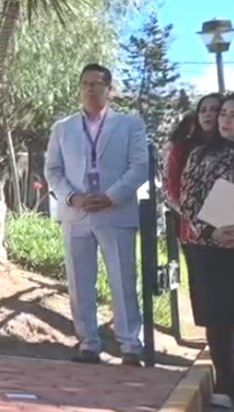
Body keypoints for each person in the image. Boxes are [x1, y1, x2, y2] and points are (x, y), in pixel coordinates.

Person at [43, 63, 149, 366]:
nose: (91, 89)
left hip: (115, 212)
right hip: (76, 214)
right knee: (79, 281)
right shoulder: (62, 128)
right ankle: (88, 343)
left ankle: (130, 345)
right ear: (80, 88)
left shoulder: (130, 125)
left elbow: (139, 167)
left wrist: (111, 195)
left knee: (123, 280)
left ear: (109, 88)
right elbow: (52, 170)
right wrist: (72, 196)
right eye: (85, 84)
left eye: (97, 83)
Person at [178, 94, 234, 408]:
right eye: (224, 114)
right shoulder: (201, 154)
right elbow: (188, 200)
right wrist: (212, 229)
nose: (226, 120)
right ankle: (225, 383)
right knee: (219, 317)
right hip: (210, 248)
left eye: (233, 115)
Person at [166, 94, 223, 240]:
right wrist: (200, 223)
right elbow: (174, 191)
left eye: (214, 109)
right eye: (202, 110)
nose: (208, 114)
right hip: (195, 228)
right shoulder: (184, 148)